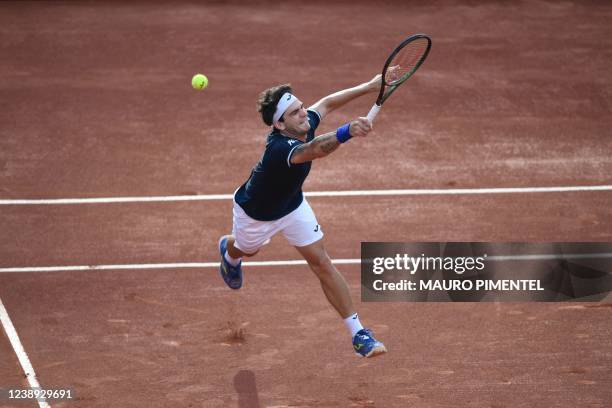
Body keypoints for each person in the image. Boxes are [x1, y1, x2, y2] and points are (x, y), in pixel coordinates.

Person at [218, 75, 387, 358]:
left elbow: (328, 103)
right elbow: (314, 150)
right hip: (256, 215)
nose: (303, 114)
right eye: (294, 113)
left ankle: (359, 333)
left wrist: (370, 86)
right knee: (248, 249)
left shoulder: (301, 122)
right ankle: (229, 252)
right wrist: (348, 131)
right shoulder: (279, 150)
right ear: (280, 125)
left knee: (321, 262)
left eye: (301, 107)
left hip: (293, 206)